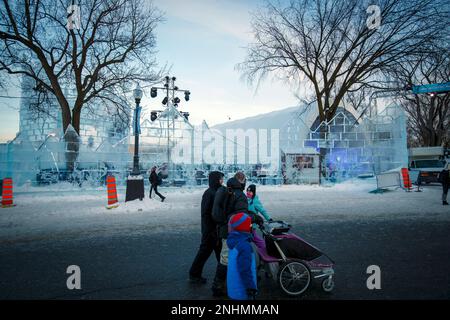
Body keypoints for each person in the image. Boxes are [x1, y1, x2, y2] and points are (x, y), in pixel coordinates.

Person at [211, 171, 248, 297]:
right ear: (242, 181)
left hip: (223, 230)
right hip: (233, 231)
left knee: (226, 257)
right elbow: (241, 215)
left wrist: (223, 223)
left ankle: (227, 282)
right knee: (228, 258)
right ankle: (218, 286)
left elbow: (218, 212)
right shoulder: (240, 195)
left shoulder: (226, 190)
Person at [189, 171, 225, 284]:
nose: (222, 180)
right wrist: (210, 230)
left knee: (221, 254)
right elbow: (206, 214)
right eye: (220, 178)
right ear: (215, 179)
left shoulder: (217, 191)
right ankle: (194, 275)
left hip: (215, 230)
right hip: (210, 231)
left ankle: (223, 276)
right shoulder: (209, 193)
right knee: (204, 253)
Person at [226, 212, 258, 300]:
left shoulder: (233, 241)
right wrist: (251, 287)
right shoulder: (244, 246)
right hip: (242, 291)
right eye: (250, 225)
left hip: (233, 289)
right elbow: (245, 269)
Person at [246, 184, 271, 250]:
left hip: (252, 224)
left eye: (250, 192)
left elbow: (262, 211)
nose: (248, 193)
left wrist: (269, 219)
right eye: (247, 191)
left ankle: (266, 248)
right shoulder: (246, 200)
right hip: (246, 224)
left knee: (254, 238)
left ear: (253, 193)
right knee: (250, 238)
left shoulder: (255, 201)